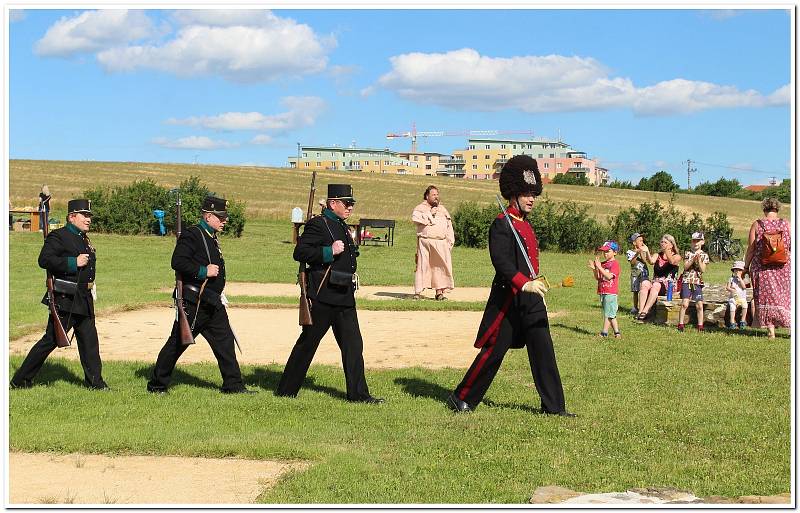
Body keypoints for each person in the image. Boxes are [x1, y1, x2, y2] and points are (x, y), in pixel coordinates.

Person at [447, 155, 574, 417]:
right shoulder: (501, 223)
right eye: (526, 194)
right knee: (494, 352)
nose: (531, 199)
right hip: (509, 300)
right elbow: (502, 263)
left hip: (531, 300)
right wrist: (523, 284)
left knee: (544, 351)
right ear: (512, 195)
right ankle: (462, 397)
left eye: (533, 194)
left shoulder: (525, 225)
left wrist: (534, 285)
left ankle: (554, 407)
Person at [276, 184, 383, 404]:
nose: (350, 207)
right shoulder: (318, 224)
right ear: (333, 203)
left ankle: (359, 395)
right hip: (323, 296)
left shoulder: (341, 225)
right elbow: (301, 252)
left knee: (353, 346)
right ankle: (286, 391)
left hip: (344, 296)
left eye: (352, 203)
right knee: (307, 345)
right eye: (347, 203)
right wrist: (329, 251)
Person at [147, 196, 252, 394]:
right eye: (220, 217)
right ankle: (157, 385)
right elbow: (178, 262)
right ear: (208, 216)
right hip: (195, 302)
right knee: (177, 344)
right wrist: (204, 271)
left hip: (212, 301)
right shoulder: (193, 234)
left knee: (225, 343)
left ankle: (233, 385)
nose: (225, 220)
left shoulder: (210, 236)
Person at [11, 199, 108, 390]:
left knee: (89, 343)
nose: (88, 219)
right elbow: (45, 260)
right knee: (51, 340)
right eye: (84, 215)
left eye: (89, 216)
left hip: (84, 299)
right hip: (67, 299)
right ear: (72, 217)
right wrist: (73, 262)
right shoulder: (59, 236)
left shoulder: (83, 238)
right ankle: (20, 380)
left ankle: (96, 383)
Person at [744, 197, 791, 339]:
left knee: (765, 298)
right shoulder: (786, 224)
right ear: (778, 209)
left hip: (762, 268)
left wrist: (745, 267)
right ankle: (791, 328)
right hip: (784, 267)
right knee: (786, 297)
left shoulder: (757, 225)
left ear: (764, 209)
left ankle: (771, 332)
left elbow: (751, 249)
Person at [411, 185, 455, 300]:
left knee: (439, 267)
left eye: (437, 194)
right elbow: (416, 219)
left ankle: (439, 293)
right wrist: (430, 213)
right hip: (425, 242)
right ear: (427, 196)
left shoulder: (443, 209)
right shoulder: (420, 208)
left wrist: (450, 241)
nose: (436, 197)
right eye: (433, 195)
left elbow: (449, 226)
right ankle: (418, 292)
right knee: (422, 266)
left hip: (441, 243)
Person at [636, 234, 681, 322]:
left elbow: (672, 261)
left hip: (669, 285)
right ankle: (640, 310)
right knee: (644, 283)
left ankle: (646, 310)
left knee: (656, 285)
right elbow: (651, 261)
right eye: (662, 242)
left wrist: (667, 251)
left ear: (671, 245)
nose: (662, 244)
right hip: (656, 282)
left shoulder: (677, 256)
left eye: (665, 242)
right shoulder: (658, 255)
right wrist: (647, 251)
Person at [677, 232, 710, 332]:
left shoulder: (704, 255)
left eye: (698, 241)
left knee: (699, 305)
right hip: (687, 281)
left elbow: (703, 269)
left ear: (702, 242)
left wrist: (699, 260)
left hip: (697, 282)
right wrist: (692, 260)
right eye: (693, 241)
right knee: (685, 304)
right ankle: (680, 324)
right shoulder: (688, 253)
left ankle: (700, 326)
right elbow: (685, 267)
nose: (695, 243)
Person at [589, 240, 621, 338]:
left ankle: (604, 333)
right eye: (604, 251)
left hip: (611, 293)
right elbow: (598, 277)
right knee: (611, 313)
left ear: (615, 252)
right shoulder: (602, 264)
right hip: (603, 291)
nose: (605, 253)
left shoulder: (615, 264)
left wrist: (599, 267)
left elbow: (609, 276)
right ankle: (617, 333)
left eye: (608, 251)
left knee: (608, 313)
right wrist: (594, 269)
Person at [626, 232, 652, 316]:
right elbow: (632, 262)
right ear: (634, 243)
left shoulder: (643, 251)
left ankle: (643, 305)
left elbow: (645, 261)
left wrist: (642, 252)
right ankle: (635, 307)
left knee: (643, 289)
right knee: (635, 291)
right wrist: (637, 253)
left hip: (643, 273)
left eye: (642, 241)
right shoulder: (630, 252)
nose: (642, 242)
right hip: (635, 274)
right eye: (640, 241)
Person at [726, 260, 748, 330]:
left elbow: (744, 287)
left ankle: (743, 320)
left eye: (740, 270)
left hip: (742, 298)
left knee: (745, 305)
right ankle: (732, 322)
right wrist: (731, 289)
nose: (737, 272)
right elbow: (727, 287)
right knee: (732, 307)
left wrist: (740, 279)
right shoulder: (731, 279)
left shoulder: (744, 279)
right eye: (736, 270)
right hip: (733, 298)